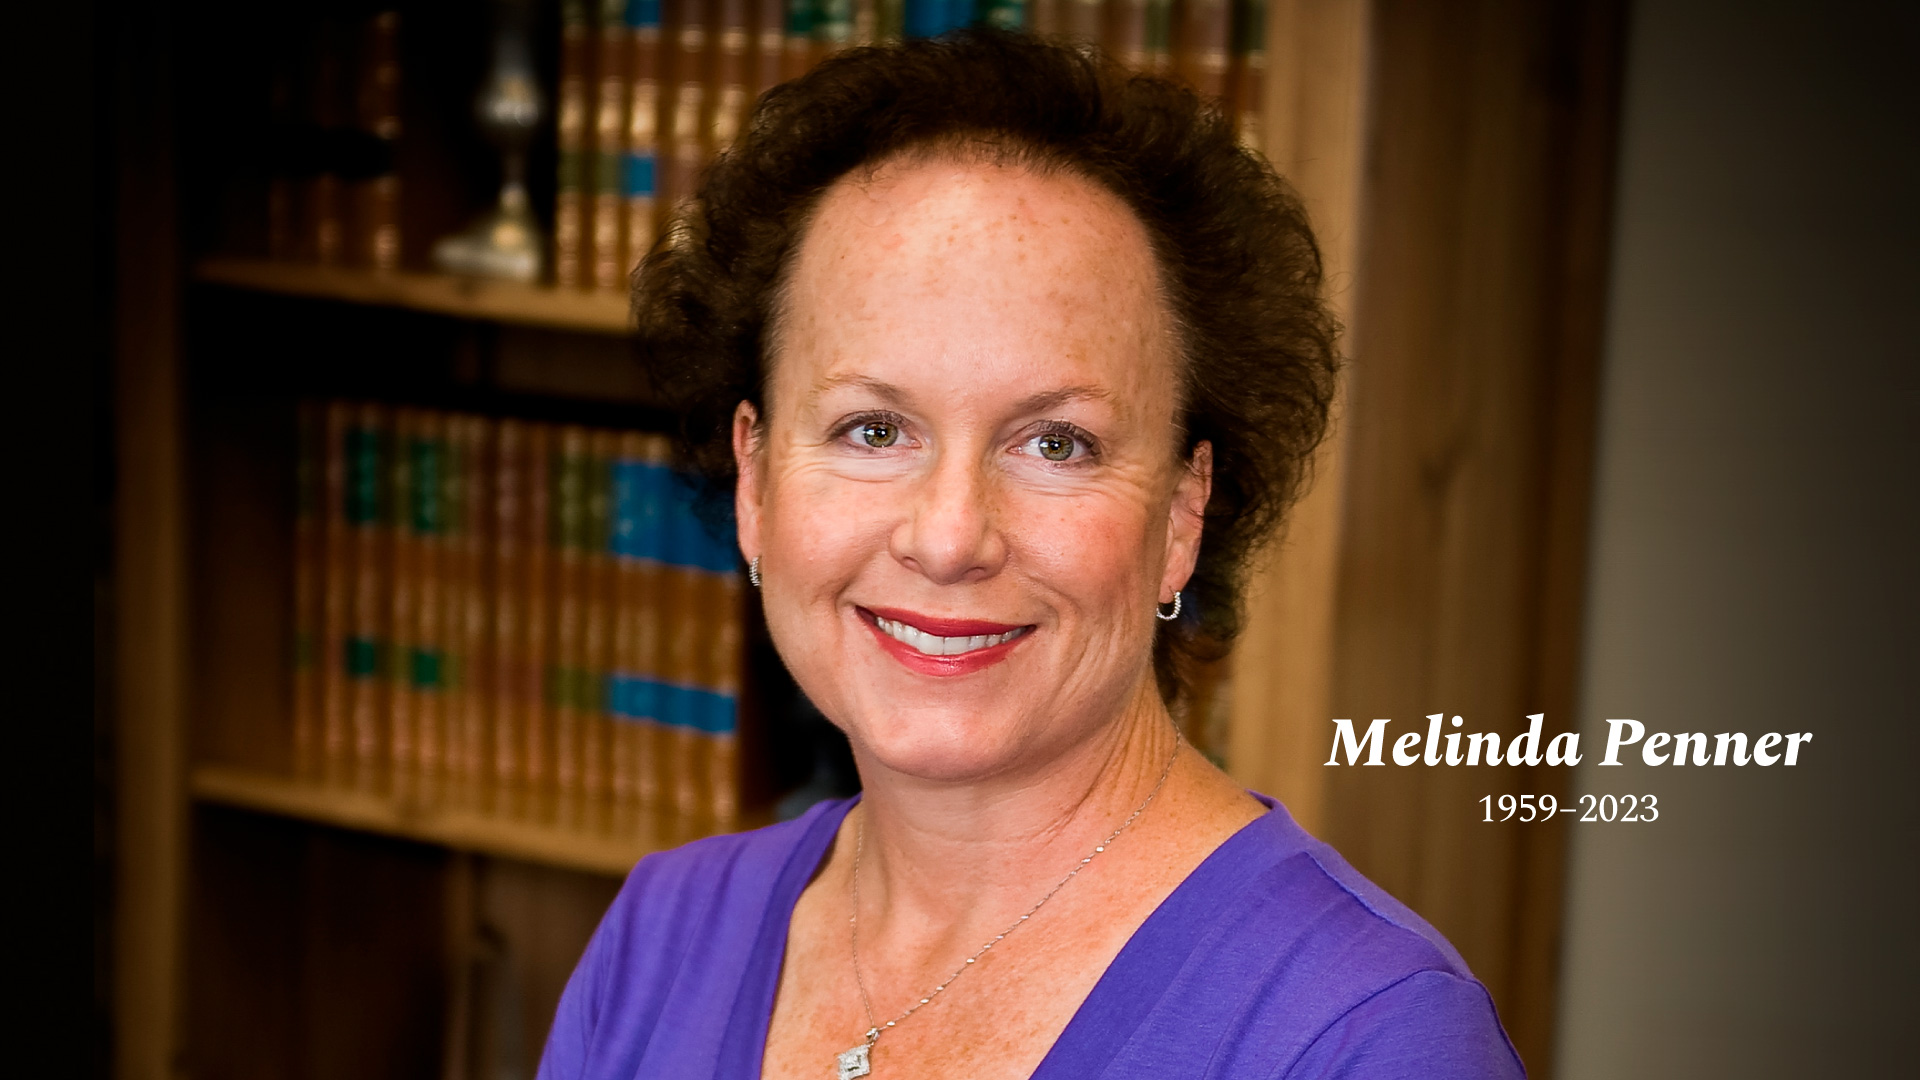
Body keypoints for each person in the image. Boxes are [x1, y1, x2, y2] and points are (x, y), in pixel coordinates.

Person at [539, 29, 1523, 1080]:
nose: (948, 538)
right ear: (756, 479)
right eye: (874, 429)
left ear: (1182, 513)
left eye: (1056, 444)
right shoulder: (656, 940)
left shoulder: (1369, 1038)